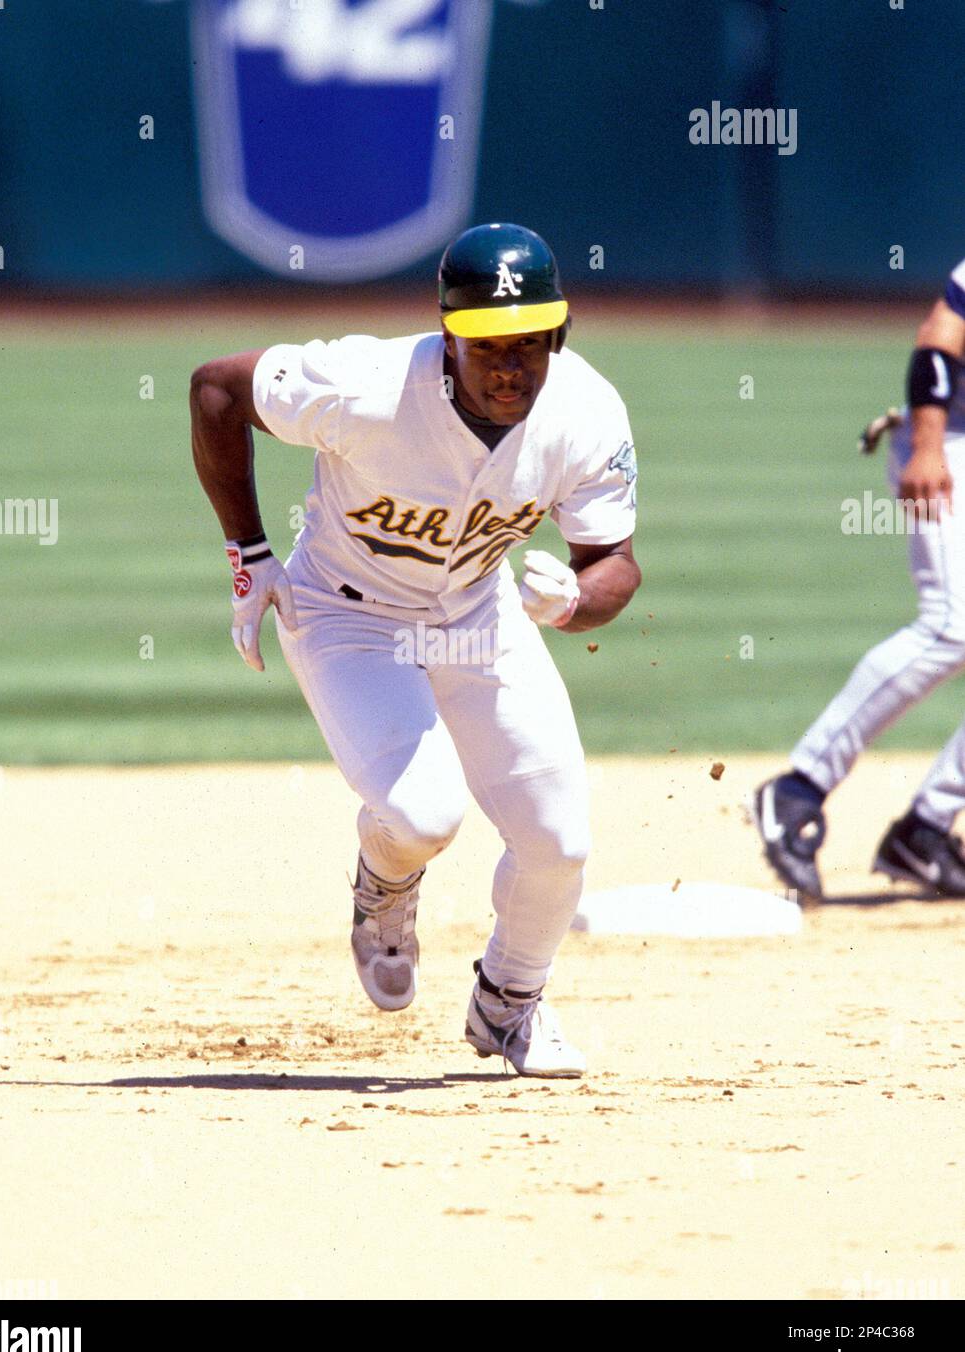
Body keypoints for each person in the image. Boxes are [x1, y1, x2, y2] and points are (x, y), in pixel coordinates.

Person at [190, 222, 641, 1077]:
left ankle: (510, 1006)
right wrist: (247, 552)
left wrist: (579, 601)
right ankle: (383, 888)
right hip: (346, 616)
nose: (510, 366)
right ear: (446, 335)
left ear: (558, 333)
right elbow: (216, 389)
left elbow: (614, 562)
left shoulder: (586, 413)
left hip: (480, 613)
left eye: (530, 345)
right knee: (424, 816)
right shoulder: (363, 385)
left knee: (559, 846)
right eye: (486, 346)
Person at [753, 257, 965, 900]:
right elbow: (938, 340)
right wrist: (927, 444)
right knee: (955, 623)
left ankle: (924, 831)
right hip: (950, 438)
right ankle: (798, 790)